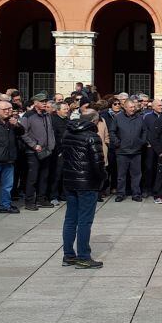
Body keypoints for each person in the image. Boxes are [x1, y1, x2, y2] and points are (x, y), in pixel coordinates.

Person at [60, 110, 106, 269]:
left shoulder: (68, 133)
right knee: (84, 220)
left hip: (70, 180)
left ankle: (68, 254)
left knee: (70, 218)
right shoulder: (92, 137)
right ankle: (83, 256)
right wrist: (103, 178)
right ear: (94, 121)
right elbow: (98, 163)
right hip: (87, 182)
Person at [20, 94, 56, 210]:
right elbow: (23, 133)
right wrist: (33, 145)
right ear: (35, 102)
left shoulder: (47, 115)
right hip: (33, 151)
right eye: (42, 101)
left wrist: (51, 145)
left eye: (45, 101)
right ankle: (29, 201)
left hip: (46, 150)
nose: (44, 103)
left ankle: (41, 199)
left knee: (44, 176)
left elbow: (50, 131)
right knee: (33, 177)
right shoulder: (28, 116)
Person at [108, 99, 146, 203]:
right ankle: (120, 193)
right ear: (125, 107)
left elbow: (144, 131)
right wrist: (117, 143)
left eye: (134, 107)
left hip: (136, 151)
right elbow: (112, 132)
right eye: (131, 107)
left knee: (136, 174)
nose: (133, 109)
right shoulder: (118, 118)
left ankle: (136, 194)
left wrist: (141, 142)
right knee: (121, 175)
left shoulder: (139, 118)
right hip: (122, 151)